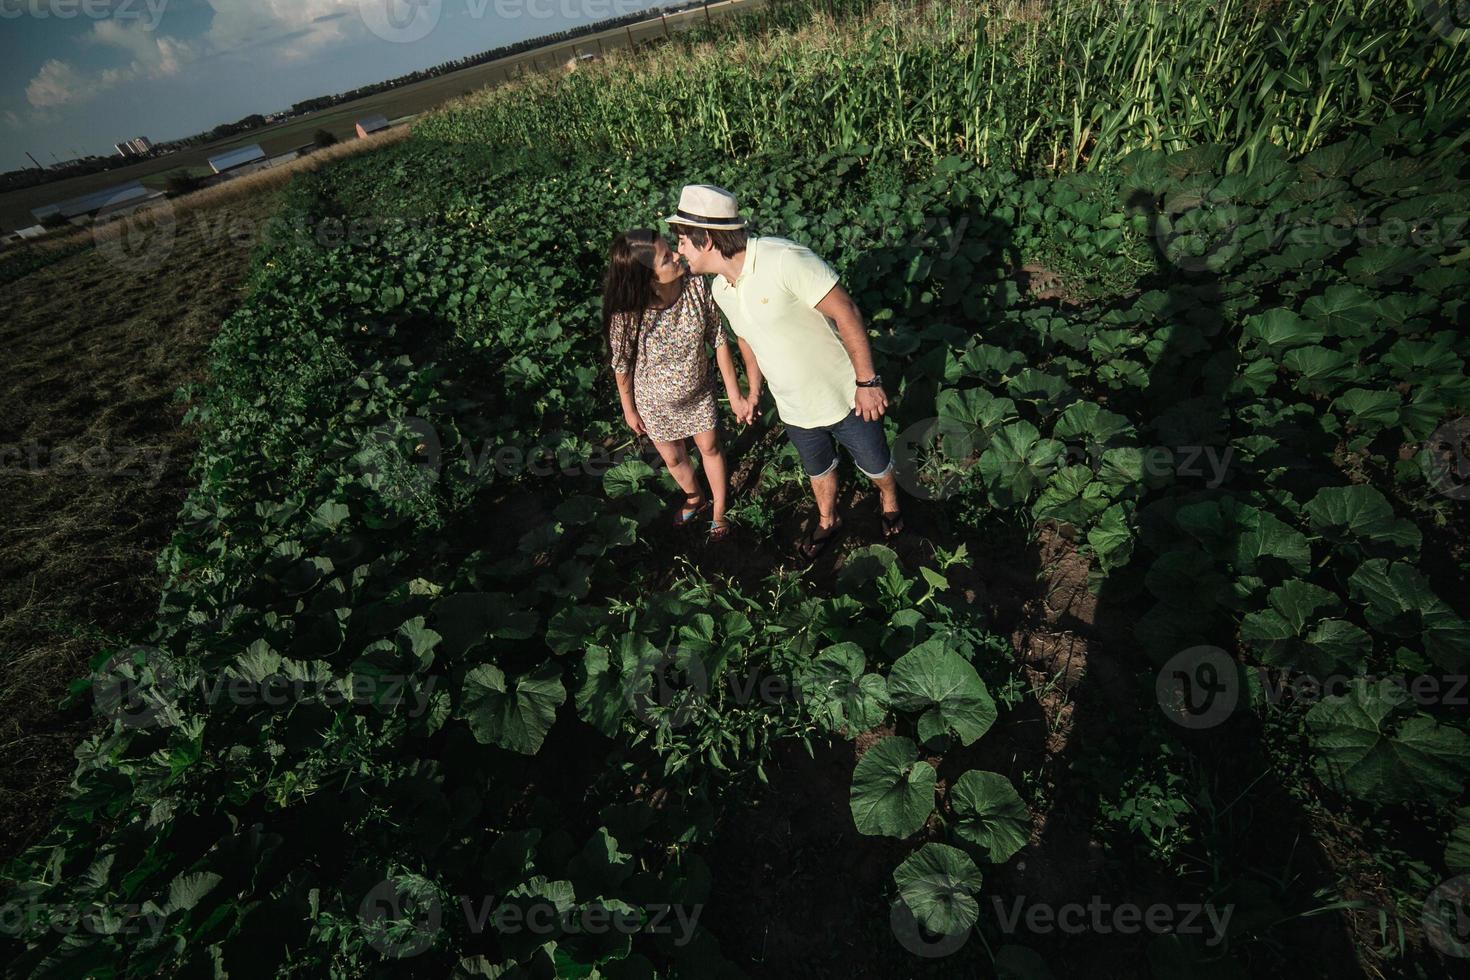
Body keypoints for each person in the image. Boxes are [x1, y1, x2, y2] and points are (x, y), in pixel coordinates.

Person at [666, 184, 903, 560]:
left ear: (707, 239)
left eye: (681, 240)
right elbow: (746, 339)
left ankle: (889, 498)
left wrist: (867, 381)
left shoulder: (784, 259)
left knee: (875, 465)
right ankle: (828, 519)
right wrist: (754, 391)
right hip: (794, 406)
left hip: (846, 395)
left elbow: (847, 312)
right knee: (817, 469)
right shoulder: (720, 290)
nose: (678, 250)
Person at [602, 229, 746, 542]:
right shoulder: (627, 317)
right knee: (673, 459)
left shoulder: (695, 286)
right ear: (646, 278)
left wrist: (734, 394)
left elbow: (718, 340)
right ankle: (695, 497)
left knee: (710, 448)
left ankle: (719, 509)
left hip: (699, 393)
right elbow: (622, 368)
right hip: (654, 404)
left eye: (672, 250)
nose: (678, 256)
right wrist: (629, 410)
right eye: (667, 258)